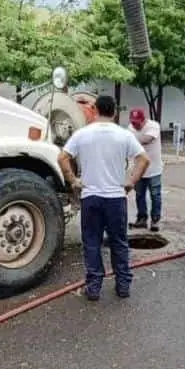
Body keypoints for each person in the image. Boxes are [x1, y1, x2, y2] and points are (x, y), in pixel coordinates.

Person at [58, 95, 150, 301]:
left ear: (95, 110)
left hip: (90, 197)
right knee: (119, 242)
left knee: (92, 243)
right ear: (114, 112)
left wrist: (73, 180)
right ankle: (123, 286)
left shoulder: (82, 134)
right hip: (115, 198)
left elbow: (62, 157)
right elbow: (144, 159)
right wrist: (131, 182)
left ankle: (93, 288)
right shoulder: (124, 135)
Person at [128, 108, 164, 232]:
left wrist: (129, 142)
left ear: (143, 120)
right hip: (138, 169)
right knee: (139, 195)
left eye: (137, 122)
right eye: (133, 122)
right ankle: (142, 219)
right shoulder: (130, 128)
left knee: (155, 195)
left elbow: (147, 139)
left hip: (154, 169)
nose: (135, 125)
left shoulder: (153, 126)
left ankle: (155, 220)